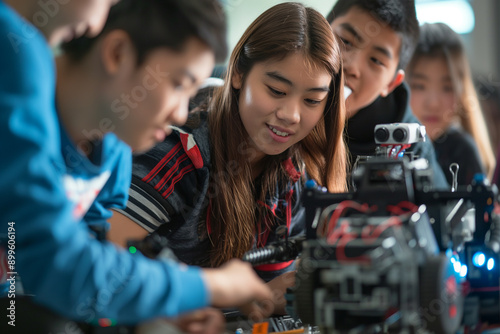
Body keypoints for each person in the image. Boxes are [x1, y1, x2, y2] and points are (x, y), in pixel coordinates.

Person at [0, 0, 273, 329]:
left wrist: (157, 307)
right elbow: (61, 265)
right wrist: (211, 286)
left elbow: (95, 272)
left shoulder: (113, 154)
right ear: (117, 54)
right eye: (178, 84)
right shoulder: (18, 69)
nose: (181, 115)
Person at [108, 2, 348, 313]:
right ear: (237, 74)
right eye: (276, 90)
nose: (291, 114)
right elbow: (102, 266)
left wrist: (271, 296)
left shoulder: (298, 172)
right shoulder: (177, 155)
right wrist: (226, 295)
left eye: (312, 100)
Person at [326, 0, 449, 189]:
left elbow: (439, 214)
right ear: (321, 31)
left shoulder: (408, 144)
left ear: (391, 84)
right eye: (346, 41)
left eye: (376, 60)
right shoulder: (283, 104)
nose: (352, 67)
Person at [406, 22, 496, 186]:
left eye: (447, 88)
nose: (433, 103)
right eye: (419, 86)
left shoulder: (463, 151)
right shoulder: (388, 146)